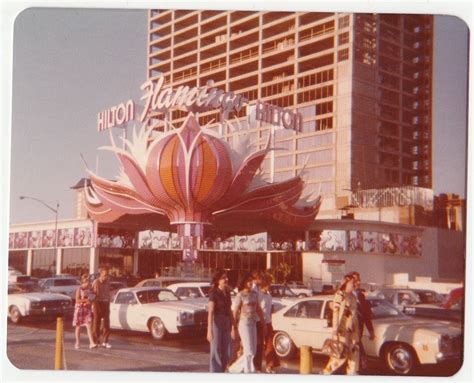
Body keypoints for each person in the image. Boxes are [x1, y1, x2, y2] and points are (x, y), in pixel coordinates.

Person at [323, 274, 360, 375]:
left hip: (352, 331)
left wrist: (356, 332)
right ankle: (326, 374)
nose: (354, 284)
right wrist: (335, 330)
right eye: (352, 283)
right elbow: (335, 312)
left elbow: (354, 316)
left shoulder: (353, 297)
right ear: (346, 283)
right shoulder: (340, 294)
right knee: (338, 358)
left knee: (354, 356)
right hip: (342, 331)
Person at [232, 272, 266, 373]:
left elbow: (259, 309)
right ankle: (248, 372)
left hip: (253, 323)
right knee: (249, 351)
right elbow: (235, 312)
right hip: (244, 324)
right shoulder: (240, 295)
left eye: (251, 280)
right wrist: (233, 327)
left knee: (253, 351)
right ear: (243, 282)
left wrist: (263, 323)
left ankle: (233, 369)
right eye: (248, 281)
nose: (250, 282)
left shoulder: (255, 294)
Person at [207, 269, 234, 372]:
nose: (226, 279)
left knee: (227, 352)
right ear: (218, 280)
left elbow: (229, 310)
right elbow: (211, 312)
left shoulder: (227, 293)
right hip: (216, 322)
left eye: (226, 277)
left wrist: (234, 325)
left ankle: (222, 372)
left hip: (226, 322)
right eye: (223, 278)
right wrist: (209, 330)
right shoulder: (213, 293)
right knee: (216, 351)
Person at [349, 271, 375, 372]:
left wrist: (371, 331)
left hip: (358, 331)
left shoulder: (361, 296)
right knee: (357, 354)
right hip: (350, 331)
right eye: (355, 280)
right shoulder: (345, 295)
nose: (358, 282)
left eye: (359, 280)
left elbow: (366, 315)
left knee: (357, 353)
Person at [259, 275, 280, 373]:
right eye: (268, 284)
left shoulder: (269, 296)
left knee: (269, 345)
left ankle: (269, 365)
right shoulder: (258, 295)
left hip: (268, 323)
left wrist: (270, 322)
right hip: (259, 323)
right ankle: (257, 367)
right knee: (258, 346)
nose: (270, 286)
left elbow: (270, 311)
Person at [72, 273, 97, 349]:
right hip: (80, 309)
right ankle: (77, 342)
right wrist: (86, 300)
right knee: (78, 326)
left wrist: (92, 300)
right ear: (82, 282)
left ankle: (92, 343)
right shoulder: (79, 289)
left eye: (88, 281)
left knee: (89, 325)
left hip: (87, 309)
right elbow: (77, 300)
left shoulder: (90, 289)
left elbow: (93, 297)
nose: (87, 283)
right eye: (86, 282)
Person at [92, 266, 112, 348]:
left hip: (106, 303)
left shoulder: (108, 282)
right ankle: (96, 341)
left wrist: (108, 302)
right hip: (98, 303)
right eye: (104, 275)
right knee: (97, 322)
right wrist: (94, 305)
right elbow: (93, 295)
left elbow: (108, 293)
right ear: (101, 274)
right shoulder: (96, 282)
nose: (106, 277)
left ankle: (105, 341)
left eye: (107, 275)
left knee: (106, 323)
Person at [251, 271, 264, 372]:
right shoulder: (253, 288)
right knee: (254, 344)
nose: (262, 280)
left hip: (259, 319)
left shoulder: (259, 289)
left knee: (259, 344)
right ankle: (254, 365)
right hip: (253, 320)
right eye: (261, 278)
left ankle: (258, 366)